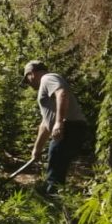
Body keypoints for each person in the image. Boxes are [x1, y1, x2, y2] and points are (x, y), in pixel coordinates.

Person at [21, 60, 89, 193]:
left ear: (31, 74)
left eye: (27, 80)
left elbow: (62, 94)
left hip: (71, 126)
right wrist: (37, 149)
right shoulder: (45, 87)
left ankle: (53, 200)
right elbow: (46, 123)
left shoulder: (48, 78)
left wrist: (59, 122)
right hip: (70, 127)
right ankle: (57, 196)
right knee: (57, 163)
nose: (28, 84)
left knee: (55, 161)